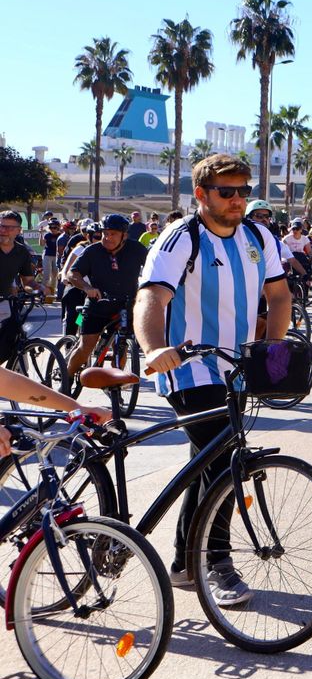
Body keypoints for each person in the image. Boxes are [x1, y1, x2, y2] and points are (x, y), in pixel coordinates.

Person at [136, 152, 288, 607]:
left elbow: (279, 296)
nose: (237, 199)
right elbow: (151, 298)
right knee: (224, 464)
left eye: (243, 190)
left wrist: (270, 350)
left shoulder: (259, 236)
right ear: (201, 194)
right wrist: (153, 349)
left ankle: (184, 562)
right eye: (227, 191)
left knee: (206, 463)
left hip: (236, 368)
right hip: (188, 367)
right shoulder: (182, 237)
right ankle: (216, 564)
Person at [61, 213, 148, 376]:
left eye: (113, 234)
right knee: (86, 347)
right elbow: (73, 274)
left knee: (122, 345)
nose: (108, 238)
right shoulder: (92, 251)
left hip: (126, 305)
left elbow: (153, 269)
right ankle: (67, 378)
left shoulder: (136, 249)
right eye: (105, 233)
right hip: (97, 305)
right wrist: (87, 288)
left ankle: (116, 382)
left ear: (124, 235)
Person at [0, 210, 37, 296]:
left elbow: (27, 281)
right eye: (0, 226)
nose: (2, 230)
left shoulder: (22, 252)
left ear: (19, 230)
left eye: (9, 228)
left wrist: (39, 288)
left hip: (3, 302)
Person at [41, 218, 63, 300]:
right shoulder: (47, 235)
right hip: (47, 256)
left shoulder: (61, 235)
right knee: (46, 275)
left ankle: (51, 294)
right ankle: (43, 293)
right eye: (51, 227)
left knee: (54, 276)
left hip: (56, 256)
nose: (53, 229)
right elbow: (41, 244)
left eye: (55, 227)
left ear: (58, 227)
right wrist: (41, 234)